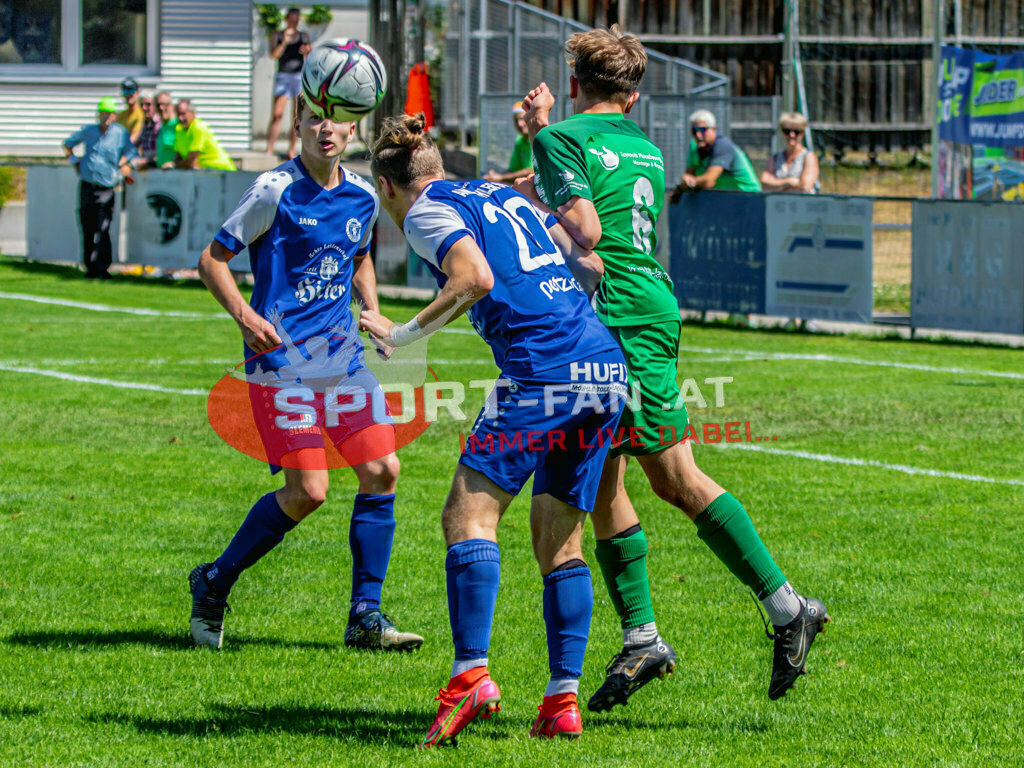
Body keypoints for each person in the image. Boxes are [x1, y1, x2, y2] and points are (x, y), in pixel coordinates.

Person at [520, 26, 828, 709]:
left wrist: (540, 150)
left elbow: (584, 228)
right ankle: (643, 639)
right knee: (608, 476)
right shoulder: (646, 146)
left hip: (616, 313)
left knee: (674, 475)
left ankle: (786, 608)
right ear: (633, 94)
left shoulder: (560, 139)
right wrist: (545, 138)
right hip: (643, 303)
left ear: (578, 83)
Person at [361, 114, 625, 745]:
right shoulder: (501, 193)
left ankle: (469, 678)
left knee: (467, 516)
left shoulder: (427, 209)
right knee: (560, 540)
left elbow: (473, 279)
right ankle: (562, 700)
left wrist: (401, 336)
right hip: (603, 363)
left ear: (387, 187)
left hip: (543, 370)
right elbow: (587, 262)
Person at [190, 92, 423, 653]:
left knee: (383, 471)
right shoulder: (275, 190)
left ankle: (365, 616)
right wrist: (246, 318)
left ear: (352, 131)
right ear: (298, 124)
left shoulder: (363, 196)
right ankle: (214, 581)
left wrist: (369, 306)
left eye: (339, 121)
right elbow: (211, 260)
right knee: (309, 492)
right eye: (316, 118)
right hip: (281, 365)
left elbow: (359, 253)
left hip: (341, 361)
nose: (326, 129)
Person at [62, 97, 137, 279]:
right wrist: (74, 160)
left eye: (108, 114)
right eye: (102, 113)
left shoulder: (120, 133)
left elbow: (131, 151)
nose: (105, 117)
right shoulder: (89, 131)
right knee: (87, 226)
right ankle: (89, 266)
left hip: (107, 186)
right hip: (88, 185)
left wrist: (123, 163)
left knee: (103, 227)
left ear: (114, 115)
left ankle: (103, 267)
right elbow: (68, 144)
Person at [668, 109, 762, 202]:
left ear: (714, 129)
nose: (698, 135)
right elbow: (689, 175)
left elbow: (708, 181)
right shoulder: (694, 146)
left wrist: (690, 182)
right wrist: (681, 188)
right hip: (726, 198)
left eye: (702, 130)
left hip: (750, 198)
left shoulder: (722, 145)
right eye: (694, 131)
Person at [266, 6, 311, 158]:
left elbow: (309, 56)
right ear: (286, 20)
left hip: (297, 76)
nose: (294, 23)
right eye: (291, 20)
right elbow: (274, 55)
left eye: (296, 21)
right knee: (277, 114)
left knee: (296, 115)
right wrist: (284, 42)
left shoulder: (303, 36)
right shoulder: (277, 35)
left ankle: (291, 150)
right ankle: (269, 149)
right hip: (283, 76)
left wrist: (307, 51)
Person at [760, 112, 819, 193]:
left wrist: (776, 185)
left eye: (796, 131)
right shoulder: (775, 158)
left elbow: (805, 187)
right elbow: (764, 185)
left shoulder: (809, 157)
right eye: (787, 131)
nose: (792, 135)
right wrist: (789, 182)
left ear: (802, 133)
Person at [174, 99, 237, 170]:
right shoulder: (178, 129)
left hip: (222, 171)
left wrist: (176, 165)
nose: (180, 118)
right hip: (207, 172)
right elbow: (177, 157)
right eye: (178, 114)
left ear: (192, 113)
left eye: (183, 114)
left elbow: (191, 163)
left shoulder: (198, 128)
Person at [483, 102, 533, 183]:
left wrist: (501, 177)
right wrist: (493, 177)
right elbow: (513, 170)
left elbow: (530, 171)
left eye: (522, 119)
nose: (519, 124)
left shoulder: (536, 139)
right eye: (516, 120)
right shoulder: (520, 140)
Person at [134, 89, 161, 168]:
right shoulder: (143, 125)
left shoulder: (160, 124)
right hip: (147, 167)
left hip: (158, 167)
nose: (145, 108)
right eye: (142, 105)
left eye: (148, 104)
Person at [116, 77, 144, 146]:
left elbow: (134, 138)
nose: (128, 95)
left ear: (137, 92)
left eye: (131, 91)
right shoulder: (122, 114)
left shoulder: (140, 114)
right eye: (125, 91)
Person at [153, 91, 178, 169]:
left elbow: (186, 152)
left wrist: (174, 163)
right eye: (158, 105)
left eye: (164, 104)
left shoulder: (177, 125)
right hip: (163, 174)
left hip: (177, 173)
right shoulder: (162, 126)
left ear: (171, 106)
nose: (161, 108)